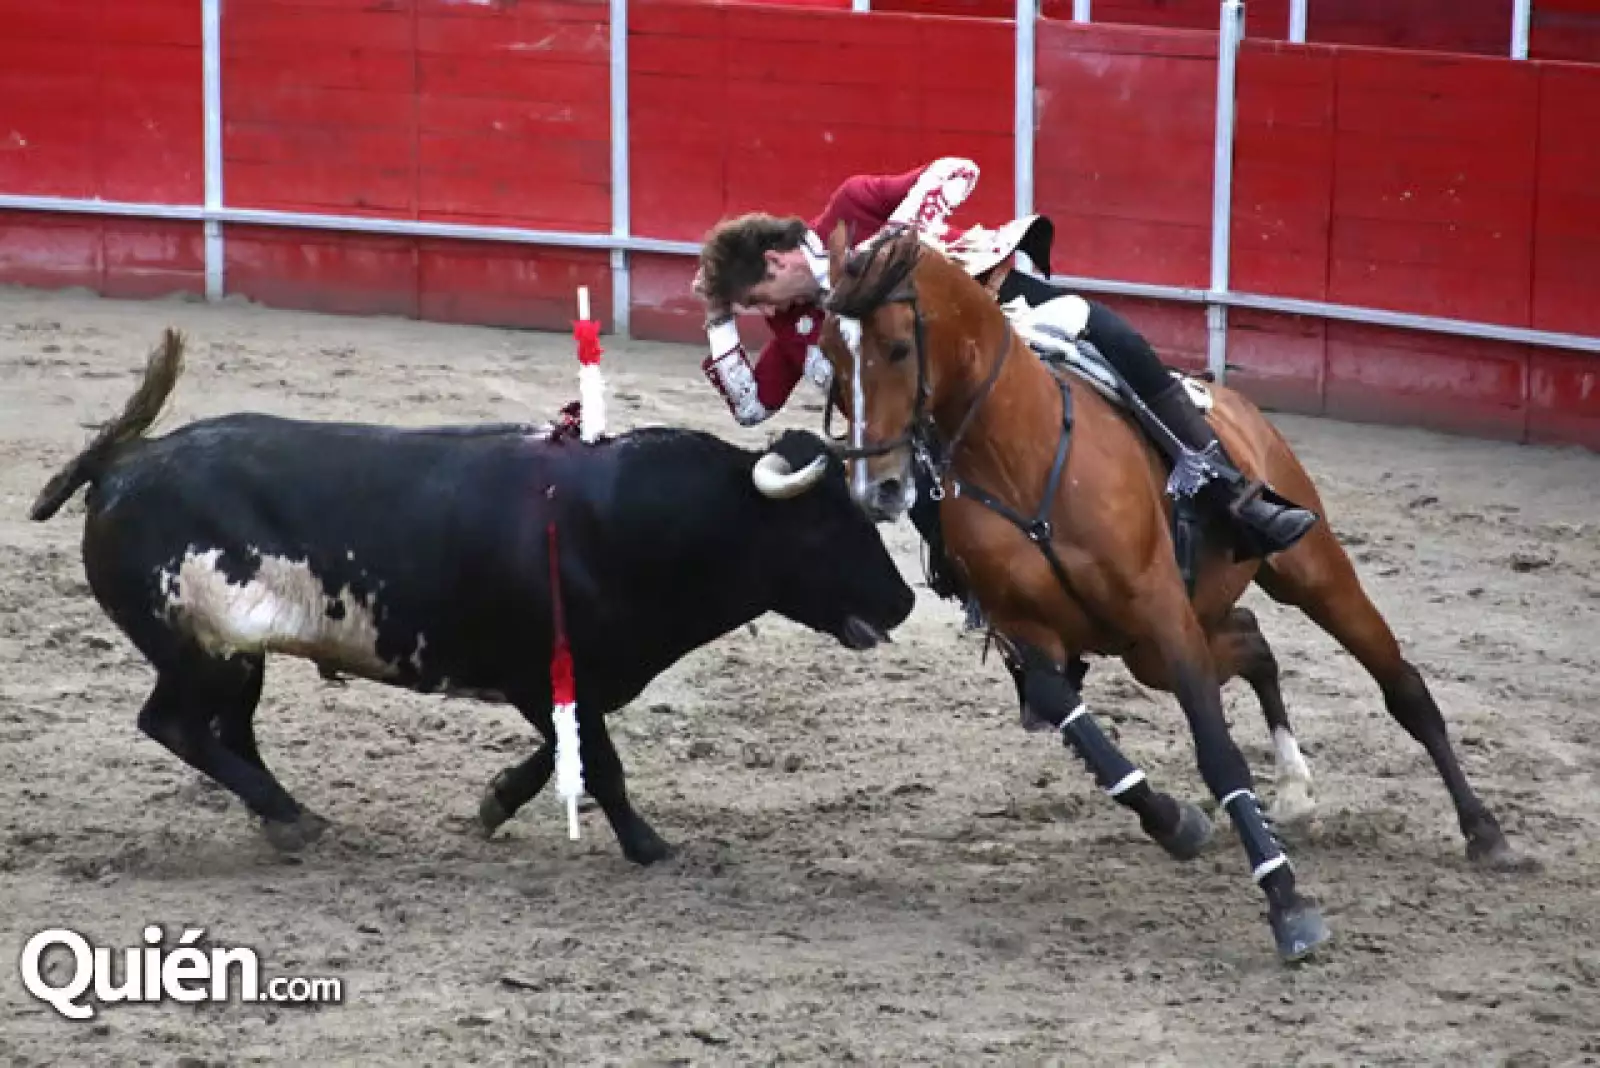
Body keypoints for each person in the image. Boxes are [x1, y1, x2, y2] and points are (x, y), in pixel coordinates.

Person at [692, 162, 1318, 613]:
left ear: (775, 261)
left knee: (1110, 340)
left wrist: (890, 244)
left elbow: (956, 171)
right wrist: (718, 320)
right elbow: (751, 406)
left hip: (994, 317)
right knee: (931, 511)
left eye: (756, 299)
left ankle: (1230, 488)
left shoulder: (852, 208)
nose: (765, 314)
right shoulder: (794, 327)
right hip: (930, 418)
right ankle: (1004, 616)